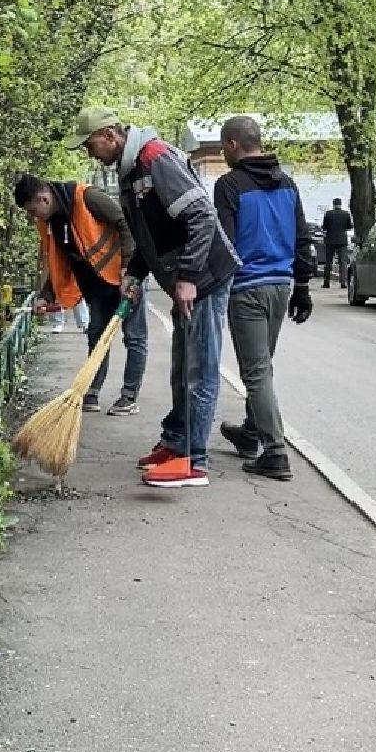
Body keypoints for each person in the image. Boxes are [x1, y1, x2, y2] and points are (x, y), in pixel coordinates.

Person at [75, 107, 237, 488]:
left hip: (207, 278)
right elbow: (148, 235)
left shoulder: (155, 158)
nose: (89, 152)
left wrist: (189, 278)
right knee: (182, 367)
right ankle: (176, 441)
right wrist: (134, 274)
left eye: (90, 144)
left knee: (200, 368)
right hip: (185, 278)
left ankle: (194, 463)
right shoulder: (131, 169)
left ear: (111, 134)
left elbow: (201, 216)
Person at [212, 117, 314, 481]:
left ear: (233, 144)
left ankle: (275, 452)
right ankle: (251, 433)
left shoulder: (229, 185)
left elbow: (223, 240)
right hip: (281, 286)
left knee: (255, 373)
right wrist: (302, 286)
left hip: (248, 288)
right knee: (263, 367)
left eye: (224, 147)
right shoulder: (287, 183)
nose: (224, 153)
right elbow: (302, 236)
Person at [14, 174, 148, 415]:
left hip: (124, 278)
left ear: (44, 198)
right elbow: (58, 262)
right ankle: (92, 392)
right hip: (96, 287)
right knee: (96, 336)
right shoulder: (50, 222)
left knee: (134, 337)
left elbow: (124, 223)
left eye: (34, 211)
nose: (34, 217)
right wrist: (46, 295)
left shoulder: (87, 197)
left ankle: (129, 397)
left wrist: (129, 267)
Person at [320, 198, 353, 288]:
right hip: (342, 241)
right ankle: (343, 283)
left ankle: (326, 283)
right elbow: (349, 227)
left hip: (330, 240)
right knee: (343, 262)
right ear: (341, 204)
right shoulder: (346, 214)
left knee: (328, 262)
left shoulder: (328, 214)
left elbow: (324, 227)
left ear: (333, 204)